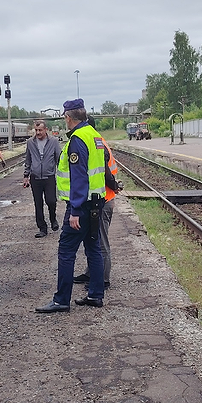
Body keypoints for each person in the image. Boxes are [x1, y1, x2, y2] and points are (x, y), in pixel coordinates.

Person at [36, 99, 106, 313]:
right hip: (96, 202)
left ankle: (61, 300)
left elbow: (79, 177)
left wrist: (74, 210)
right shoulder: (95, 135)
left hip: (81, 205)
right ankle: (95, 294)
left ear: (68, 117)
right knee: (93, 248)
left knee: (66, 251)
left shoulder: (77, 140)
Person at [73, 116, 121, 289]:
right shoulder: (97, 142)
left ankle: (103, 279)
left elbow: (106, 174)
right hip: (101, 199)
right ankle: (90, 273)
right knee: (93, 240)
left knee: (101, 242)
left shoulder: (98, 145)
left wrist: (114, 186)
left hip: (104, 199)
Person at [23, 120, 62, 238]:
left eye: (40, 130)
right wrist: (26, 176)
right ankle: (42, 228)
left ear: (46, 130)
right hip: (35, 178)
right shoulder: (30, 142)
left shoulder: (54, 142)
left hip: (49, 176)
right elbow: (28, 160)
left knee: (51, 200)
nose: (38, 132)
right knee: (38, 204)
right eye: (36, 130)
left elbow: (58, 158)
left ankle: (53, 219)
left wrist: (61, 174)